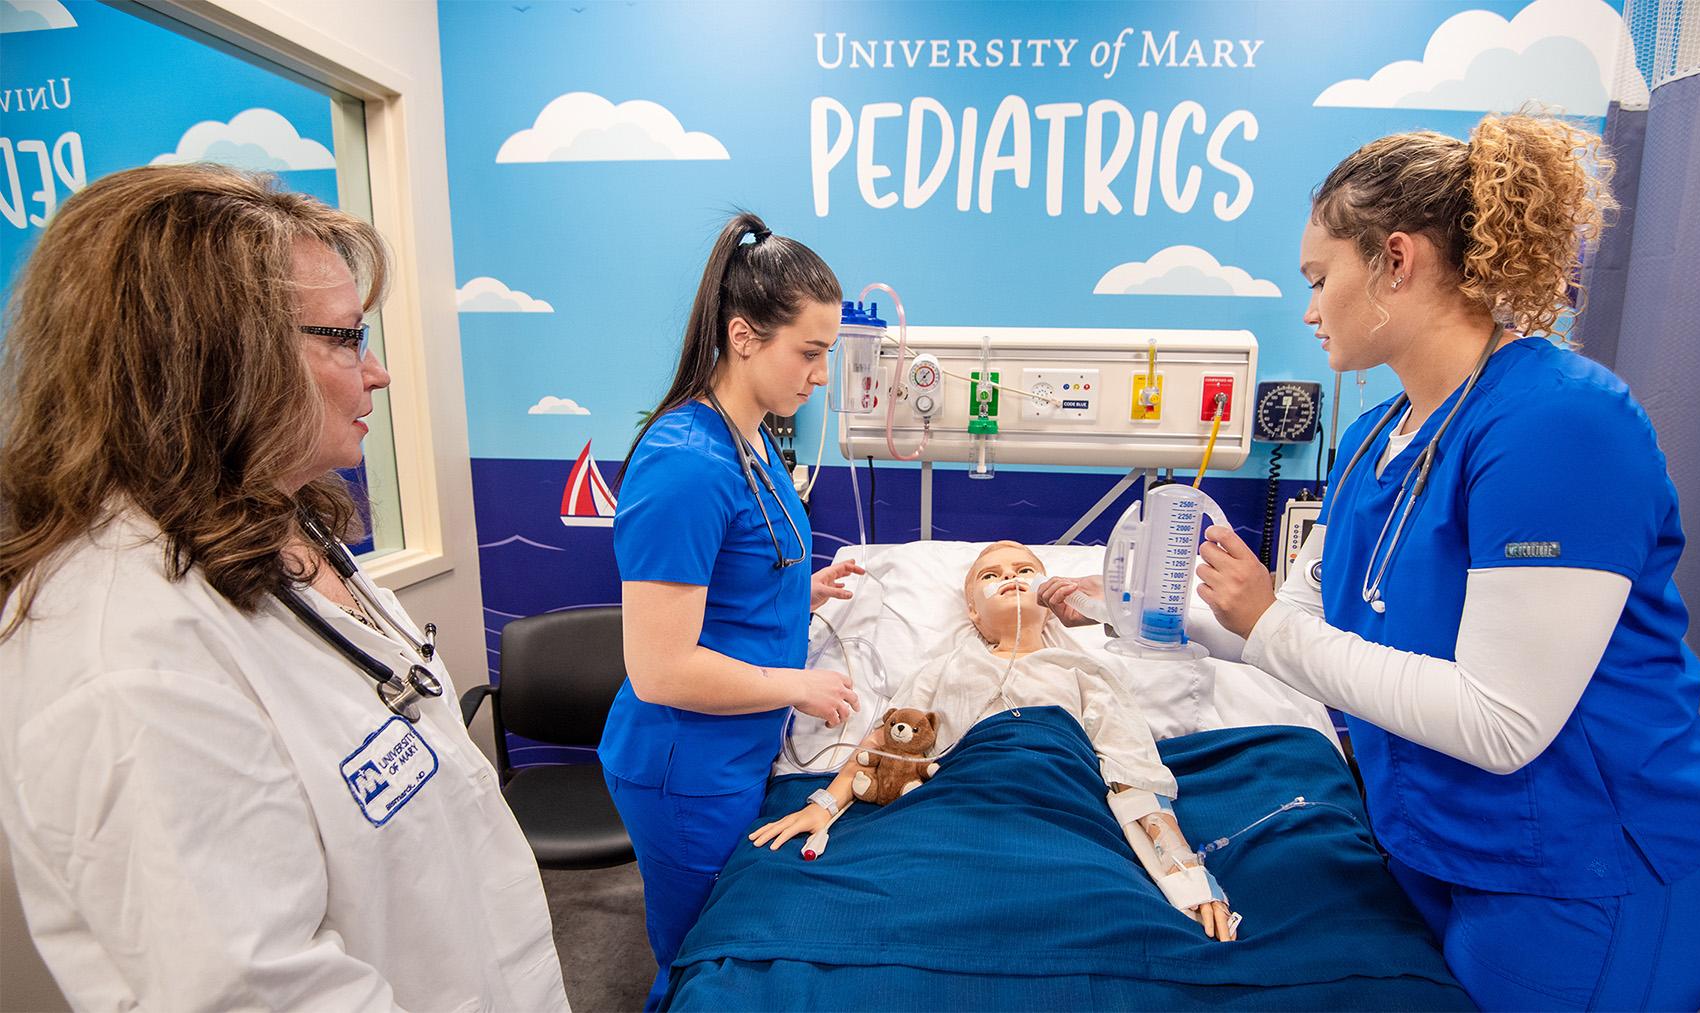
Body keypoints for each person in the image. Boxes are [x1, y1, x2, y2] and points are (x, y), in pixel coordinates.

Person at [1052, 113, 1700, 1010]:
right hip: (1440, 846)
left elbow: (1501, 722)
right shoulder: (1375, 438)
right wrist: (1131, 611)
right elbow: (1287, 627)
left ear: (1395, 259)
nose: (1307, 310)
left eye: (1318, 279)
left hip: (1595, 863)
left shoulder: (1559, 426)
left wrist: (1266, 622)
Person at [0, 165, 568, 1010]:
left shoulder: (283, 527)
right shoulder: (126, 659)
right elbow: (260, 990)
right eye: (346, 338)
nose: (375, 374)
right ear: (216, 357)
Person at [602, 211, 863, 1009]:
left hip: (735, 751)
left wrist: (800, 588)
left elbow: (729, 572)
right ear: (744, 335)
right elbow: (659, 666)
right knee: (702, 964)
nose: (820, 376)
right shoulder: (686, 462)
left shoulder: (751, 440)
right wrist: (798, 687)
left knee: (735, 938)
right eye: (810, 352)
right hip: (684, 765)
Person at [750, 541, 1236, 941]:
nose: (1011, 576)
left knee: (1109, 914)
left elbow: (1132, 774)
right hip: (955, 807)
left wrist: (1185, 876)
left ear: (1052, 599)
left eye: (1026, 569)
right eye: (990, 575)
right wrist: (825, 804)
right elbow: (888, 743)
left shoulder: (1085, 671)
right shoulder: (942, 669)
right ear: (972, 611)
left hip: (1060, 811)